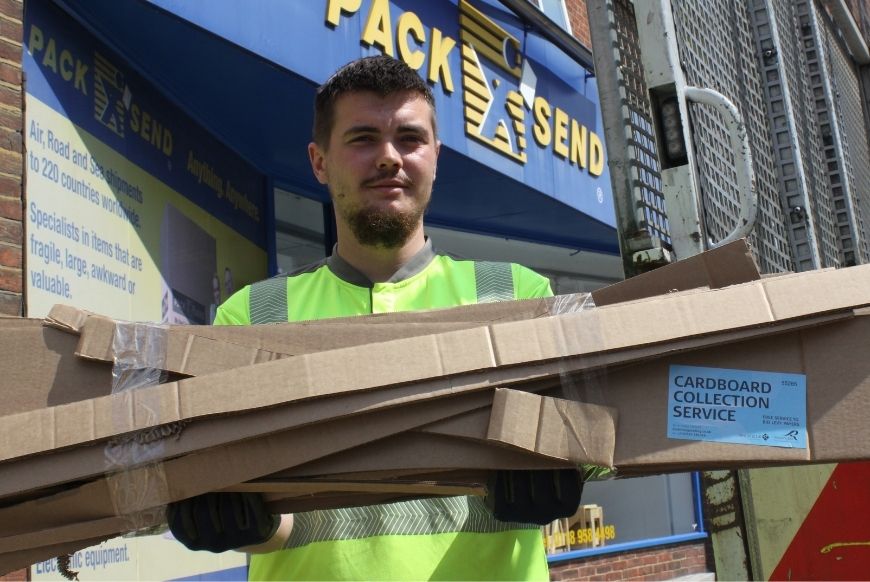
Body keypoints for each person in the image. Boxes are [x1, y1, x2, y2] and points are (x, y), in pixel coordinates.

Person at [168, 54, 576, 580]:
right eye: (363, 139)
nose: (389, 158)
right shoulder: (249, 317)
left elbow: (604, 438)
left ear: (436, 156)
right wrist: (240, 522)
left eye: (410, 138)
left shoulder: (519, 295)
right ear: (319, 162)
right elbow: (273, 518)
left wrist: (572, 463)